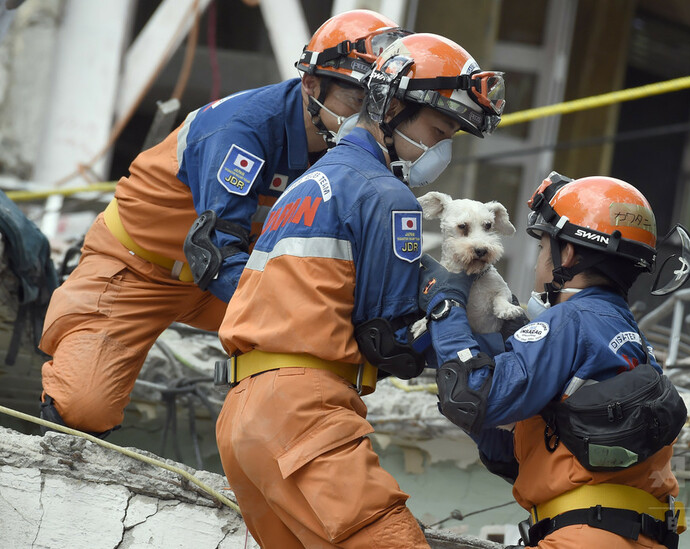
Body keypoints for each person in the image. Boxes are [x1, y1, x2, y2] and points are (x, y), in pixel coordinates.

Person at [38, 9, 411, 436]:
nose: (367, 117)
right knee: (82, 410)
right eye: (356, 101)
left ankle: (294, 450)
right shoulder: (243, 129)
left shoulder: (357, 149)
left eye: (379, 104)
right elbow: (214, 252)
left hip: (238, 277)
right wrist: (292, 314)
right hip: (137, 269)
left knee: (331, 341)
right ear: (311, 84)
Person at [214, 33, 505, 548]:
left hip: (243, 418)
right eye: (437, 130)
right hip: (304, 414)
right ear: (390, 106)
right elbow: (387, 342)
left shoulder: (310, 182)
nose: (440, 150)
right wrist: (462, 320)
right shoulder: (387, 196)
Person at [417, 172, 690, 548]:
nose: (537, 265)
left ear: (568, 254)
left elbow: (473, 396)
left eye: (542, 249)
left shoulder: (568, 322)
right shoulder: (629, 335)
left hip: (583, 536)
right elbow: (514, 455)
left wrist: (445, 308)